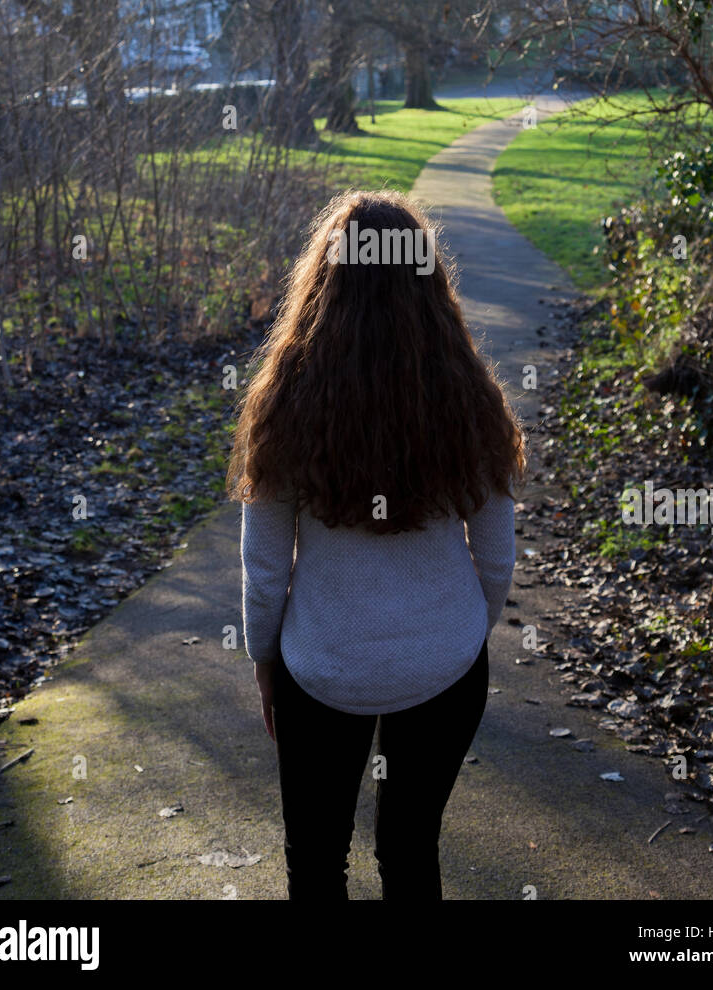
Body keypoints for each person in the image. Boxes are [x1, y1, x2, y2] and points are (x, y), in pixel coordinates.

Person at [227, 189, 525, 900]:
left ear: (323, 283)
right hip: (447, 668)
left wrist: (265, 662)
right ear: (429, 282)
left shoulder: (285, 402)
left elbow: (265, 571)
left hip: (321, 669)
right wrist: (457, 634)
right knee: (411, 850)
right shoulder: (471, 397)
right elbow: (499, 556)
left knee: (318, 861)